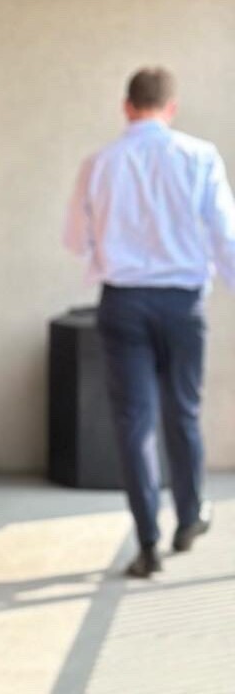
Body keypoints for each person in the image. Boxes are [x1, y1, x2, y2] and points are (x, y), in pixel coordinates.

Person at [64, 67, 232, 578]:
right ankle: (190, 515)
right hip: (182, 304)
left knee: (134, 423)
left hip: (123, 302)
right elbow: (225, 235)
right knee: (184, 411)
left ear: (127, 105)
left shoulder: (100, 163)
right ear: (171, 107)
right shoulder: (200, 156)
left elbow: (74, 239)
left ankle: (148, 543)